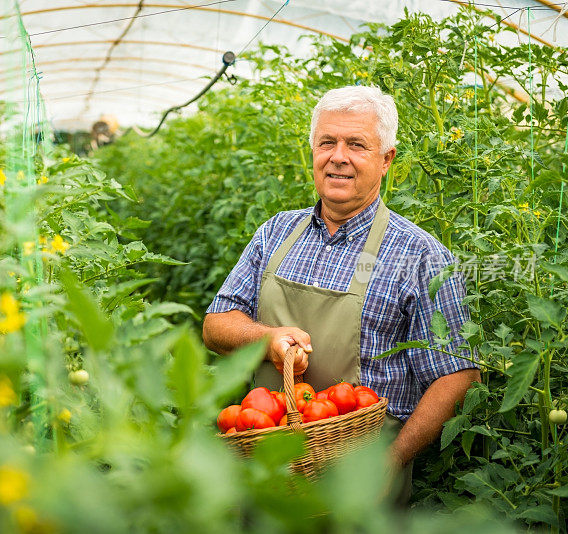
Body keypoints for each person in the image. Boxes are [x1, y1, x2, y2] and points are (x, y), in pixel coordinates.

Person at [202, 85, 480, 502]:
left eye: (357, 145)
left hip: (363, 478)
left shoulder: (419, 254)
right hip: (269, 463)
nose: (338, 157)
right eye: (327, 142)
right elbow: (216, 324)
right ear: (312, 150)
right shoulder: (276, 233)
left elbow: (457, 375)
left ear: (387, 159)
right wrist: (267, 339)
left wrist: (391, 461)